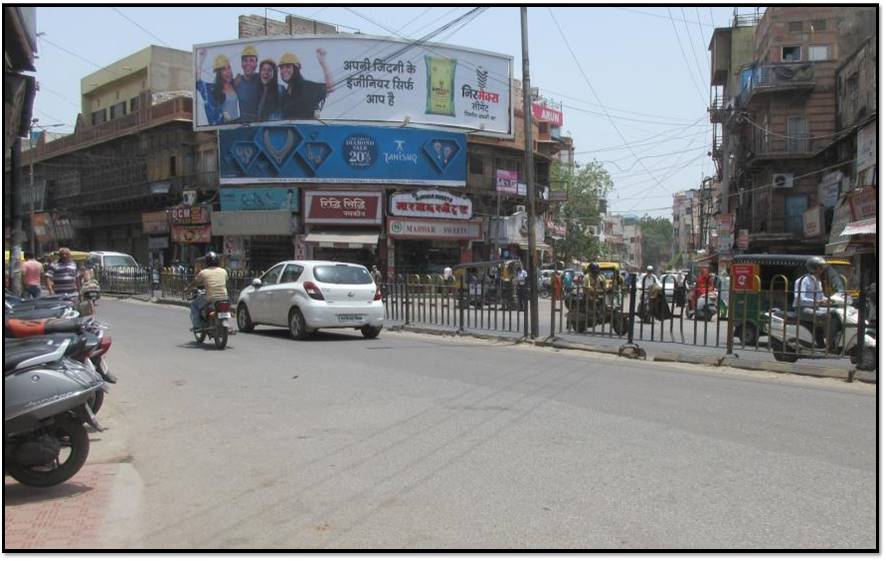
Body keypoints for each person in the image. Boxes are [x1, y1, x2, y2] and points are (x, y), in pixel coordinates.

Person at [793, 256, 838, 350]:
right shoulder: (802, 281)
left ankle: (834, 340)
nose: (822, 269)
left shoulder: (818, 281)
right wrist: (817, 302)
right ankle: (829, 345)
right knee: (827, 316)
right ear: (814, 268)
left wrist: (829, 300)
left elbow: (821, 297)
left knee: (836, 313)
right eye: (820, 267)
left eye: (822, 267)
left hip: (815, 308)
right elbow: (800, 298)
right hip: (803, 309)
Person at [278, 49, 334, 120]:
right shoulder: (285, 92)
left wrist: (323, 62)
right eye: (281, 68)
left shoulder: (307, 87)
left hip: (306, 130)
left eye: (288, 67)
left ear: (296, 68)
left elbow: (330, 88)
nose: (283, 70)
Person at [196, 49, 240, 124]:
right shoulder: (213, 89)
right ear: (219, 73)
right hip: (223, 129)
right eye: (224, 69)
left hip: (237, 126)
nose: (228, 71)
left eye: (229, 67)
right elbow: (198, 82)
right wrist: (201, 59)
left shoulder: (236, 84)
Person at [187, 251, 229, 331]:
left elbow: (194, 282)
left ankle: (197, 325)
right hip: (225, 298)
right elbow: (226, 280)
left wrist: (187, 289)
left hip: (211, 298)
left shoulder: (203, 272)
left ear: (207, 262)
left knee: (194, 305)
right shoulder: (224, 271)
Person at [234, 45, 262, 122]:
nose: (248, 63)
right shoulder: (237, 82)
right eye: (245, 60)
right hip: (244, 127)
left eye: (251, 60)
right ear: (241, 63)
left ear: (256, 63)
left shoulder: (262, 80)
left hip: (261, 126)